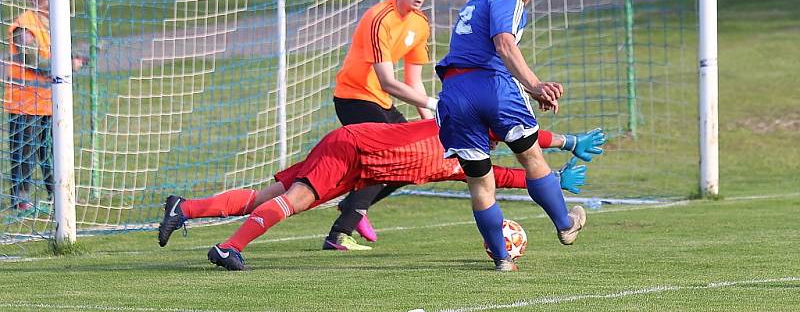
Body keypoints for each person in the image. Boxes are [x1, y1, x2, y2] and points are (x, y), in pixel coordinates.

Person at [157, 119, 606, 271]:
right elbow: (520, 132)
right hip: (352, 146)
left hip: (355, 163)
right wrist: (562, 143)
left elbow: (496, 178)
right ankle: (228, 247)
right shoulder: (458, 129)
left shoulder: (461, 161)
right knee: (291, 202)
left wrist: (552, 182)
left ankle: (184, 208)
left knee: (264, 198)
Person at [435, 0, 577, 271]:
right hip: (492, 88)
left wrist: (528, 87)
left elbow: (478, 54)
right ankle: (565, 224)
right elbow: (504, 45)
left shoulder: (475, 2)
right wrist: (536, 85)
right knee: (531, 158)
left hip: (455, 94)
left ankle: (502, 259)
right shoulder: (509, 1)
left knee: (480, 184)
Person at [324, 0, 438, 251]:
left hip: (381, 102)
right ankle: (340, 232)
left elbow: (414, 81)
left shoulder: (420, 23)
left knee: (417, 159)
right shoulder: (379, 18)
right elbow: (388, 81)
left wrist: (432, 125)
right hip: (353, 98)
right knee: (388, 158)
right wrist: (433, 105)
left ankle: (352, 207)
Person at [4, 0, 84, 213]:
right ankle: (20, 198)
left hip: (49, 103)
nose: (50, 2)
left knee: (50, 151)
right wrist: (67, 65)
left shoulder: (55, 24)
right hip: (24, 103)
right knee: (23, 154)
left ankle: (57, 194)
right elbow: (32, 59)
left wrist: (77, 59)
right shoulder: (25, 25)